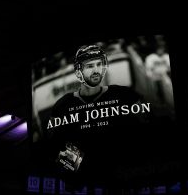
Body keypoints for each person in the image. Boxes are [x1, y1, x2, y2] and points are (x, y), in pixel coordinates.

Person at [45, 44, 150, 177]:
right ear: (79, 71)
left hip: (125, 176)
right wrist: (80, 170)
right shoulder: (62, 105)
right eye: (90, 66)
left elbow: (148, 130)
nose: (96, 70)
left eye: (98, 64)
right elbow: (52, 147)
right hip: (87, 181)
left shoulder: (125, 95)